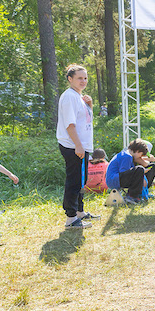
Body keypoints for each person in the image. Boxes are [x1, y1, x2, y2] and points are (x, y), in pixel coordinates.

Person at [56, 64, 96, 229]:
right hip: (73, 146)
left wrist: (90, 105)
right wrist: (78, 145)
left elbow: (85, 120)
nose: (83, 81)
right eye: (79, 78)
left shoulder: (79, 97)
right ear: (70, 79)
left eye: (85, 78)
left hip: (82, 146)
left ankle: (80, 212)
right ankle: (71, 218)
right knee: (74, 181)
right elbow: (70, 125)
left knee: (81, 180)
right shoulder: (69, 97)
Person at [105, 139, 155, 203]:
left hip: (118, 178)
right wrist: (140, 172)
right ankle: (131, 196)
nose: (140, 157)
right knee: (140, 169)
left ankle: (141, 192)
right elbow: (124, 172)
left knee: (150, 167)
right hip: (114, 180)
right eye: (141, 155)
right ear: (137, 151)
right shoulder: (127, 156)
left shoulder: (128, 155)